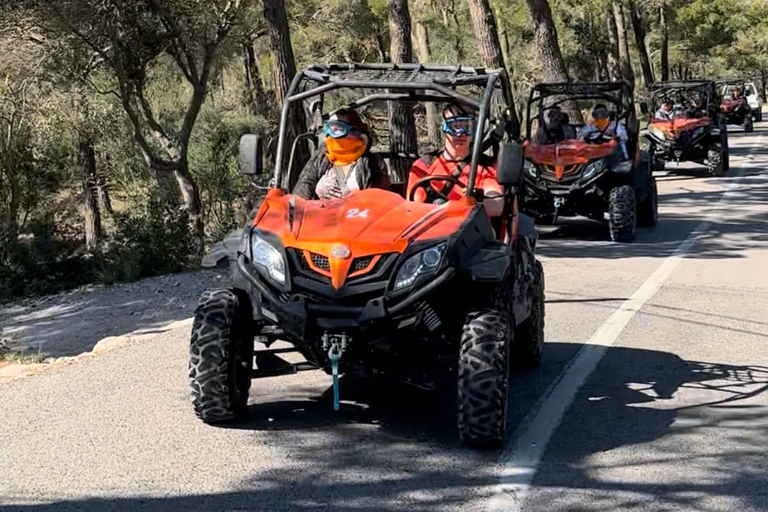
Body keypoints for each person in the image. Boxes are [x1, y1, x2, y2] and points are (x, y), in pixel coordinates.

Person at [407, 104, 505, 217]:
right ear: (444, 127)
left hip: (469, 230)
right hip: (429, 229)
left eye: (466, 126)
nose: (461, 133)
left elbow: (496, 205)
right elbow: (412, 207)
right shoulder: (423, 165)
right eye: (455, 126)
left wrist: (474, 199)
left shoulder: (486, 167)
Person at [292, 108, 390, 200]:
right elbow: (304, 185)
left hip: (358, 215)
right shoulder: (322, 157)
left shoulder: (373, 162)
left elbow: (378, 198)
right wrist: (299, 206)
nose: (332, 134)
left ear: (355, 131)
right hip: (321, 214)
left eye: (338, 128)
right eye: (330, 128)